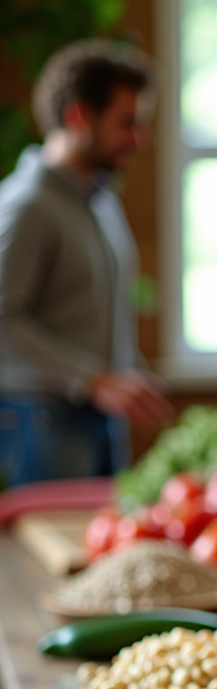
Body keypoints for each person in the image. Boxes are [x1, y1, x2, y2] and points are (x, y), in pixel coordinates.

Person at [0, 40, 173, 486]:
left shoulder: (101, 201)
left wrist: (125, 375)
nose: (141, 139)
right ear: (78, 116)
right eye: (127, 124)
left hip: (96, 419)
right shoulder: (27, 206)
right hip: (40, 421)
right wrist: (95, 380)